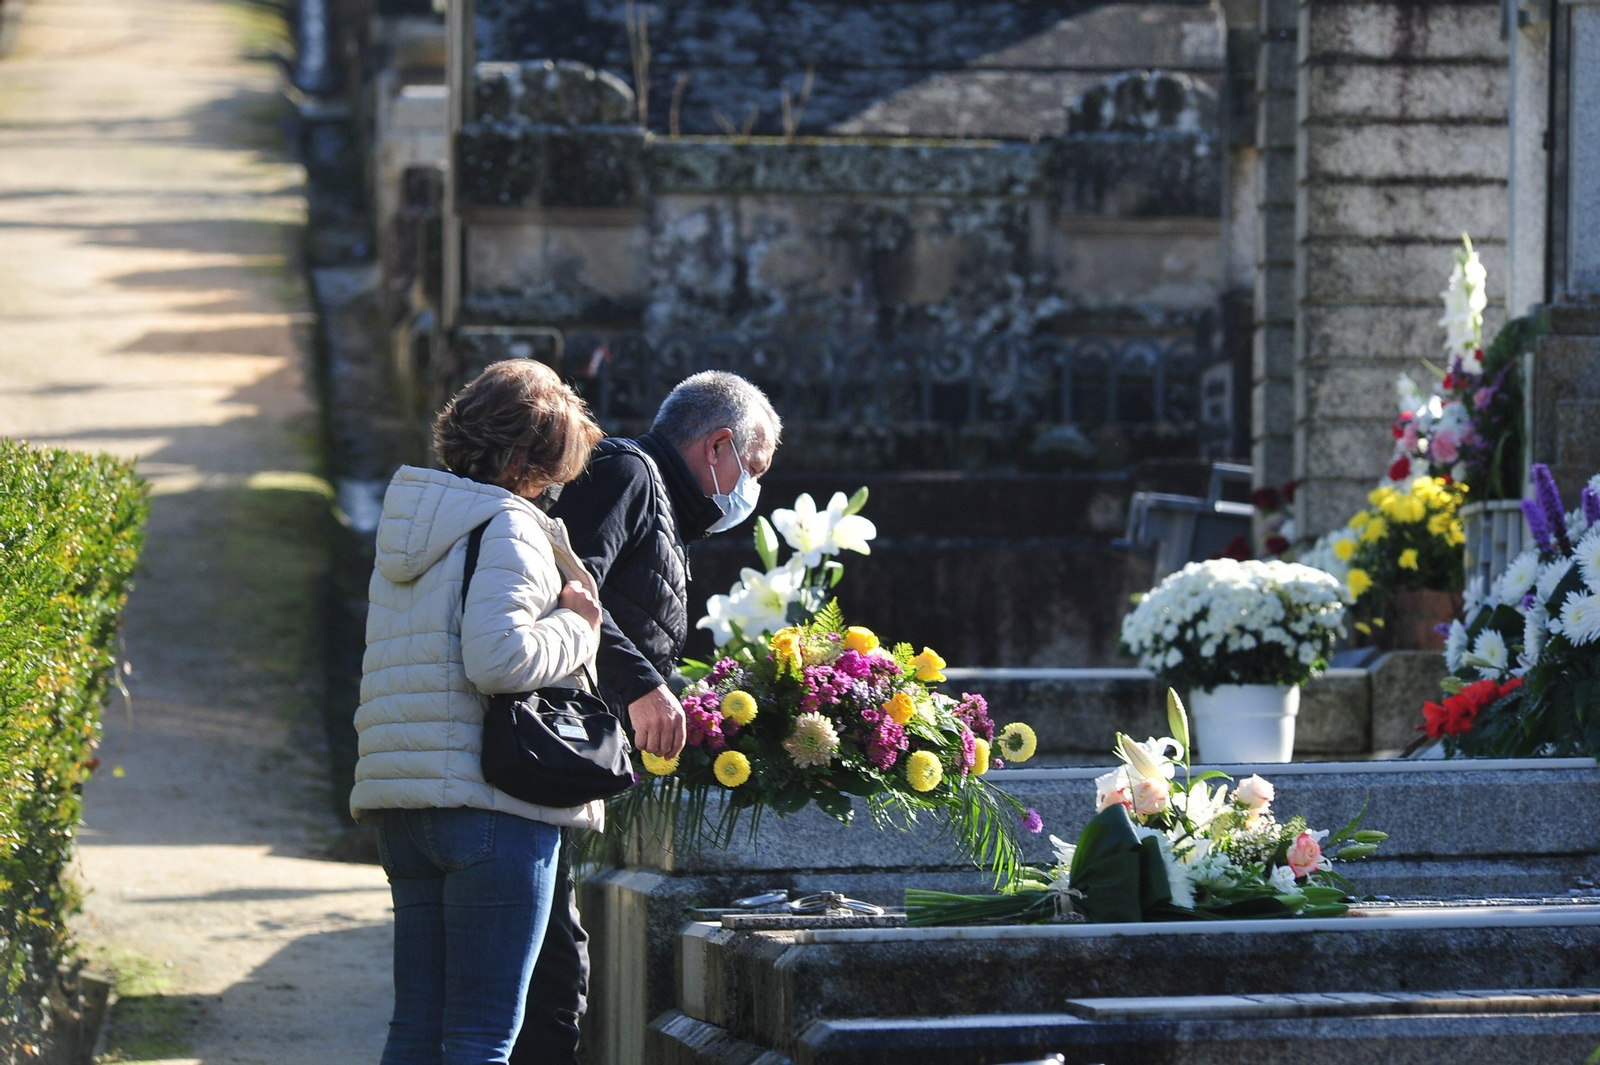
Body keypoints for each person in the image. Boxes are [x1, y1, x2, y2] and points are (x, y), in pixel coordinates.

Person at [512, 370, 782, 1064]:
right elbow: (569, 589)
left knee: (551, 974)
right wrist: (642, 688)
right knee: (546, 985)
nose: (748, 490)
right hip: (545, 753)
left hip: (571, 765)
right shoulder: (629, 472)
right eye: (751, 468)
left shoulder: (664, 505)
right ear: (718, 445)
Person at [351, 359, 607, 1064]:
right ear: (526, 460)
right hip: (493, 805)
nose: (557, 485)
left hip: (407, 804)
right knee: (481, 1036)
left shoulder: (413, 525)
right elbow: (497, 659)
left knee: (416, 1027)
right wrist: (578, 624)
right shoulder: (512, 527)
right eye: (555, 468)